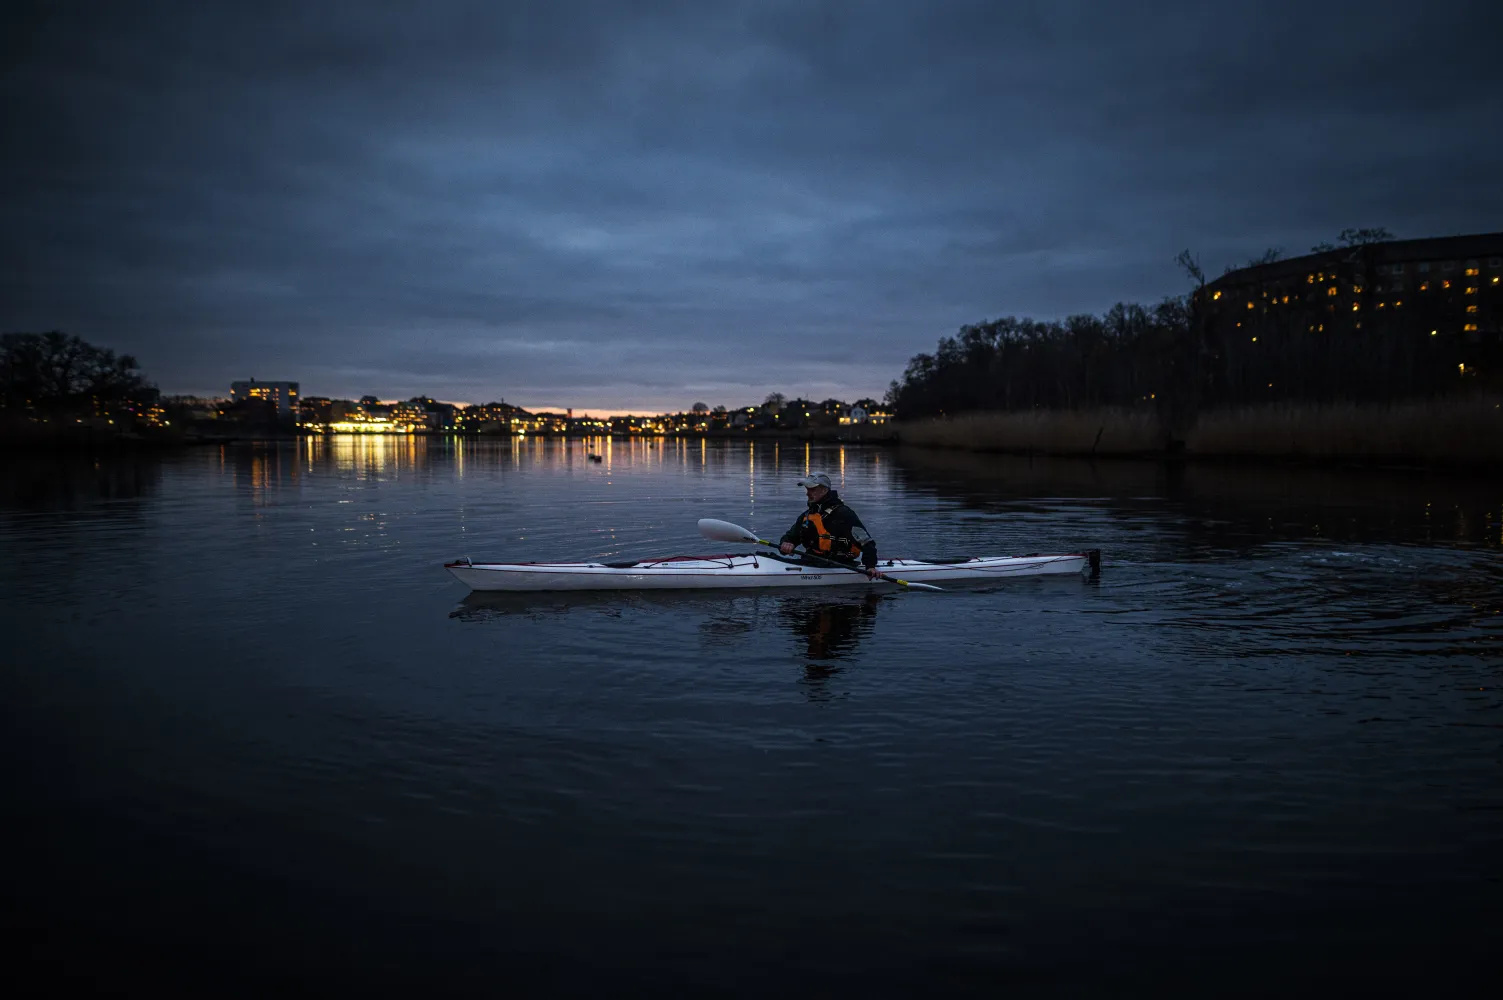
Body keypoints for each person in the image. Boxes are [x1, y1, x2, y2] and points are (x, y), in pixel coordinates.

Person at [778, 473, 881, 579]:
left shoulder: (843, 514)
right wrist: (787, 544)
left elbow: (867, 543)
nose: (807, 493)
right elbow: (790, 537)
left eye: (812, 489)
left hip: (840, 564)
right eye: (807, 489)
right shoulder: (807, 516)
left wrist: (870, 566)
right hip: (811, 562)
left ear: (824, 490)